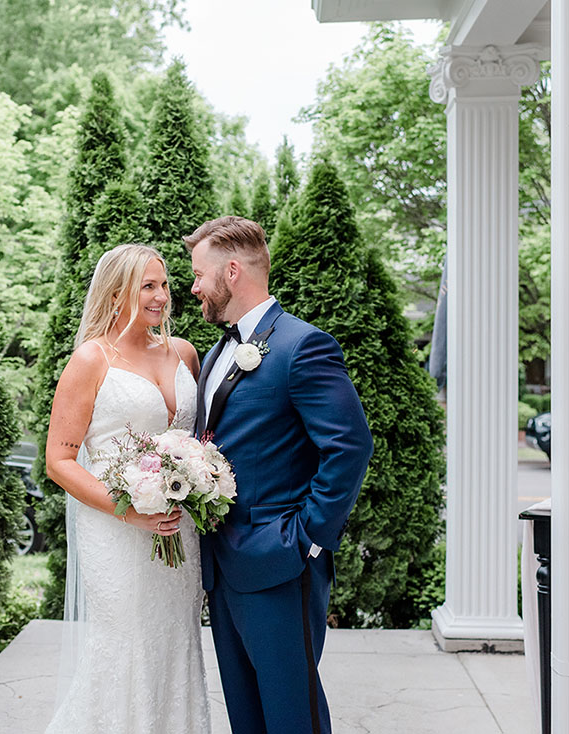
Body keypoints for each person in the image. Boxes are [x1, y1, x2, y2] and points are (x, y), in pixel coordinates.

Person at [186, 216, 373, 734]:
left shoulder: (302, 346)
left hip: (280, 562)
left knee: (294, 716)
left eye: (199, 274)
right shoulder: (217, 352)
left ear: (231, 271)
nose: (193, 286)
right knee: (246, 716)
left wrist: (308, 538)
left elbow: (350, 446)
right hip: (223, 568)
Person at [43, 244, 210, 733]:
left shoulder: (184, 354)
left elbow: (196, 439)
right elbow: (59, 461)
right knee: (126, 646)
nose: (162, 296)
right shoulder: (91, 360)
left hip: (179, 529)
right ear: (117, 294)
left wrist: (201, 480)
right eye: (149, 286)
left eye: (165, 285)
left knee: (176, 642)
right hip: (116, 533)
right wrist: (129, 511)